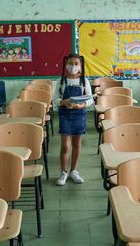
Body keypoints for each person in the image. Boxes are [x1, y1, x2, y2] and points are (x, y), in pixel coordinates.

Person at [54, 53, 93, 186]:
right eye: (71, 63)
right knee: (65, 146)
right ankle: (63, 172)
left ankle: (74, 171)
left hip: (79, 115)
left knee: (77, 145)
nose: (73, 66)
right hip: (65, 115)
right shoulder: (61, 81)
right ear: (66, 65)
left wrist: (81, 105)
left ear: (80, 66)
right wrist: (63, 102)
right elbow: (55, 99)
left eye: (76, 64)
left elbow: (90, 99)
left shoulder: (84, 81)